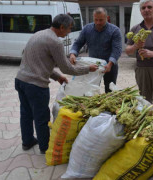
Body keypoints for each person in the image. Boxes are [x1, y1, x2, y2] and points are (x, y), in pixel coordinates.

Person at [15, 14, 98, 154]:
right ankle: (45, 147)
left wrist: (57, 76)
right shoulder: (55, 42)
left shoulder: (38, 34)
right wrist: (87, 69)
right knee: (42, 117)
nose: (69, 32)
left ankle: (27, 141)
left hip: (21, 80)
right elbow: (67, 68)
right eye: (69, 28)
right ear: (61, 27)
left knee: (26, 113)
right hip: (35, 86)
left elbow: (35, 61)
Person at [69, 7, 122, 93]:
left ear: (107, 18)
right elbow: (78, 43)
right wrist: (73, 54)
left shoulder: (114, 31)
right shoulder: (87, 29)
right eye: (96, 20)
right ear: (93, 17)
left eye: (101, 20)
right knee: (90, 89)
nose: (98, 22)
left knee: (110, 90)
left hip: (110, 65)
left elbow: (117, 49)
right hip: (93, 65)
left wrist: (110, 63)